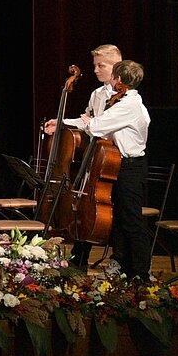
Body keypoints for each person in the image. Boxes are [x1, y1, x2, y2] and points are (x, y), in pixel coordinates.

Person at [49, 57, 151, 278]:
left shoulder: (128, 105)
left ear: (118, 79)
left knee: (131, 221)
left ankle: (142, 275)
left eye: (113, 76)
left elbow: (96, 127)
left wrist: (90, 121)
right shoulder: (123, 101)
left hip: (130, 166)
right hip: (122, 165)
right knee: (122, 220)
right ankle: (127, 271)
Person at [44, 44, 121, 269]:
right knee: (83, 207)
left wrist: (92, 123)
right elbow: (85, 121)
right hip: (96, 157)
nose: (95, 70)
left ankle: (119, 259)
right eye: (95, 65)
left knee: (119, 214)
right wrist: (61, 122)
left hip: (115, 158)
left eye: (101, 65)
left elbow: (98, 125)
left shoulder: (125, 96)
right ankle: (79, 257)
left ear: (116, 66)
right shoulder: (97, 94)